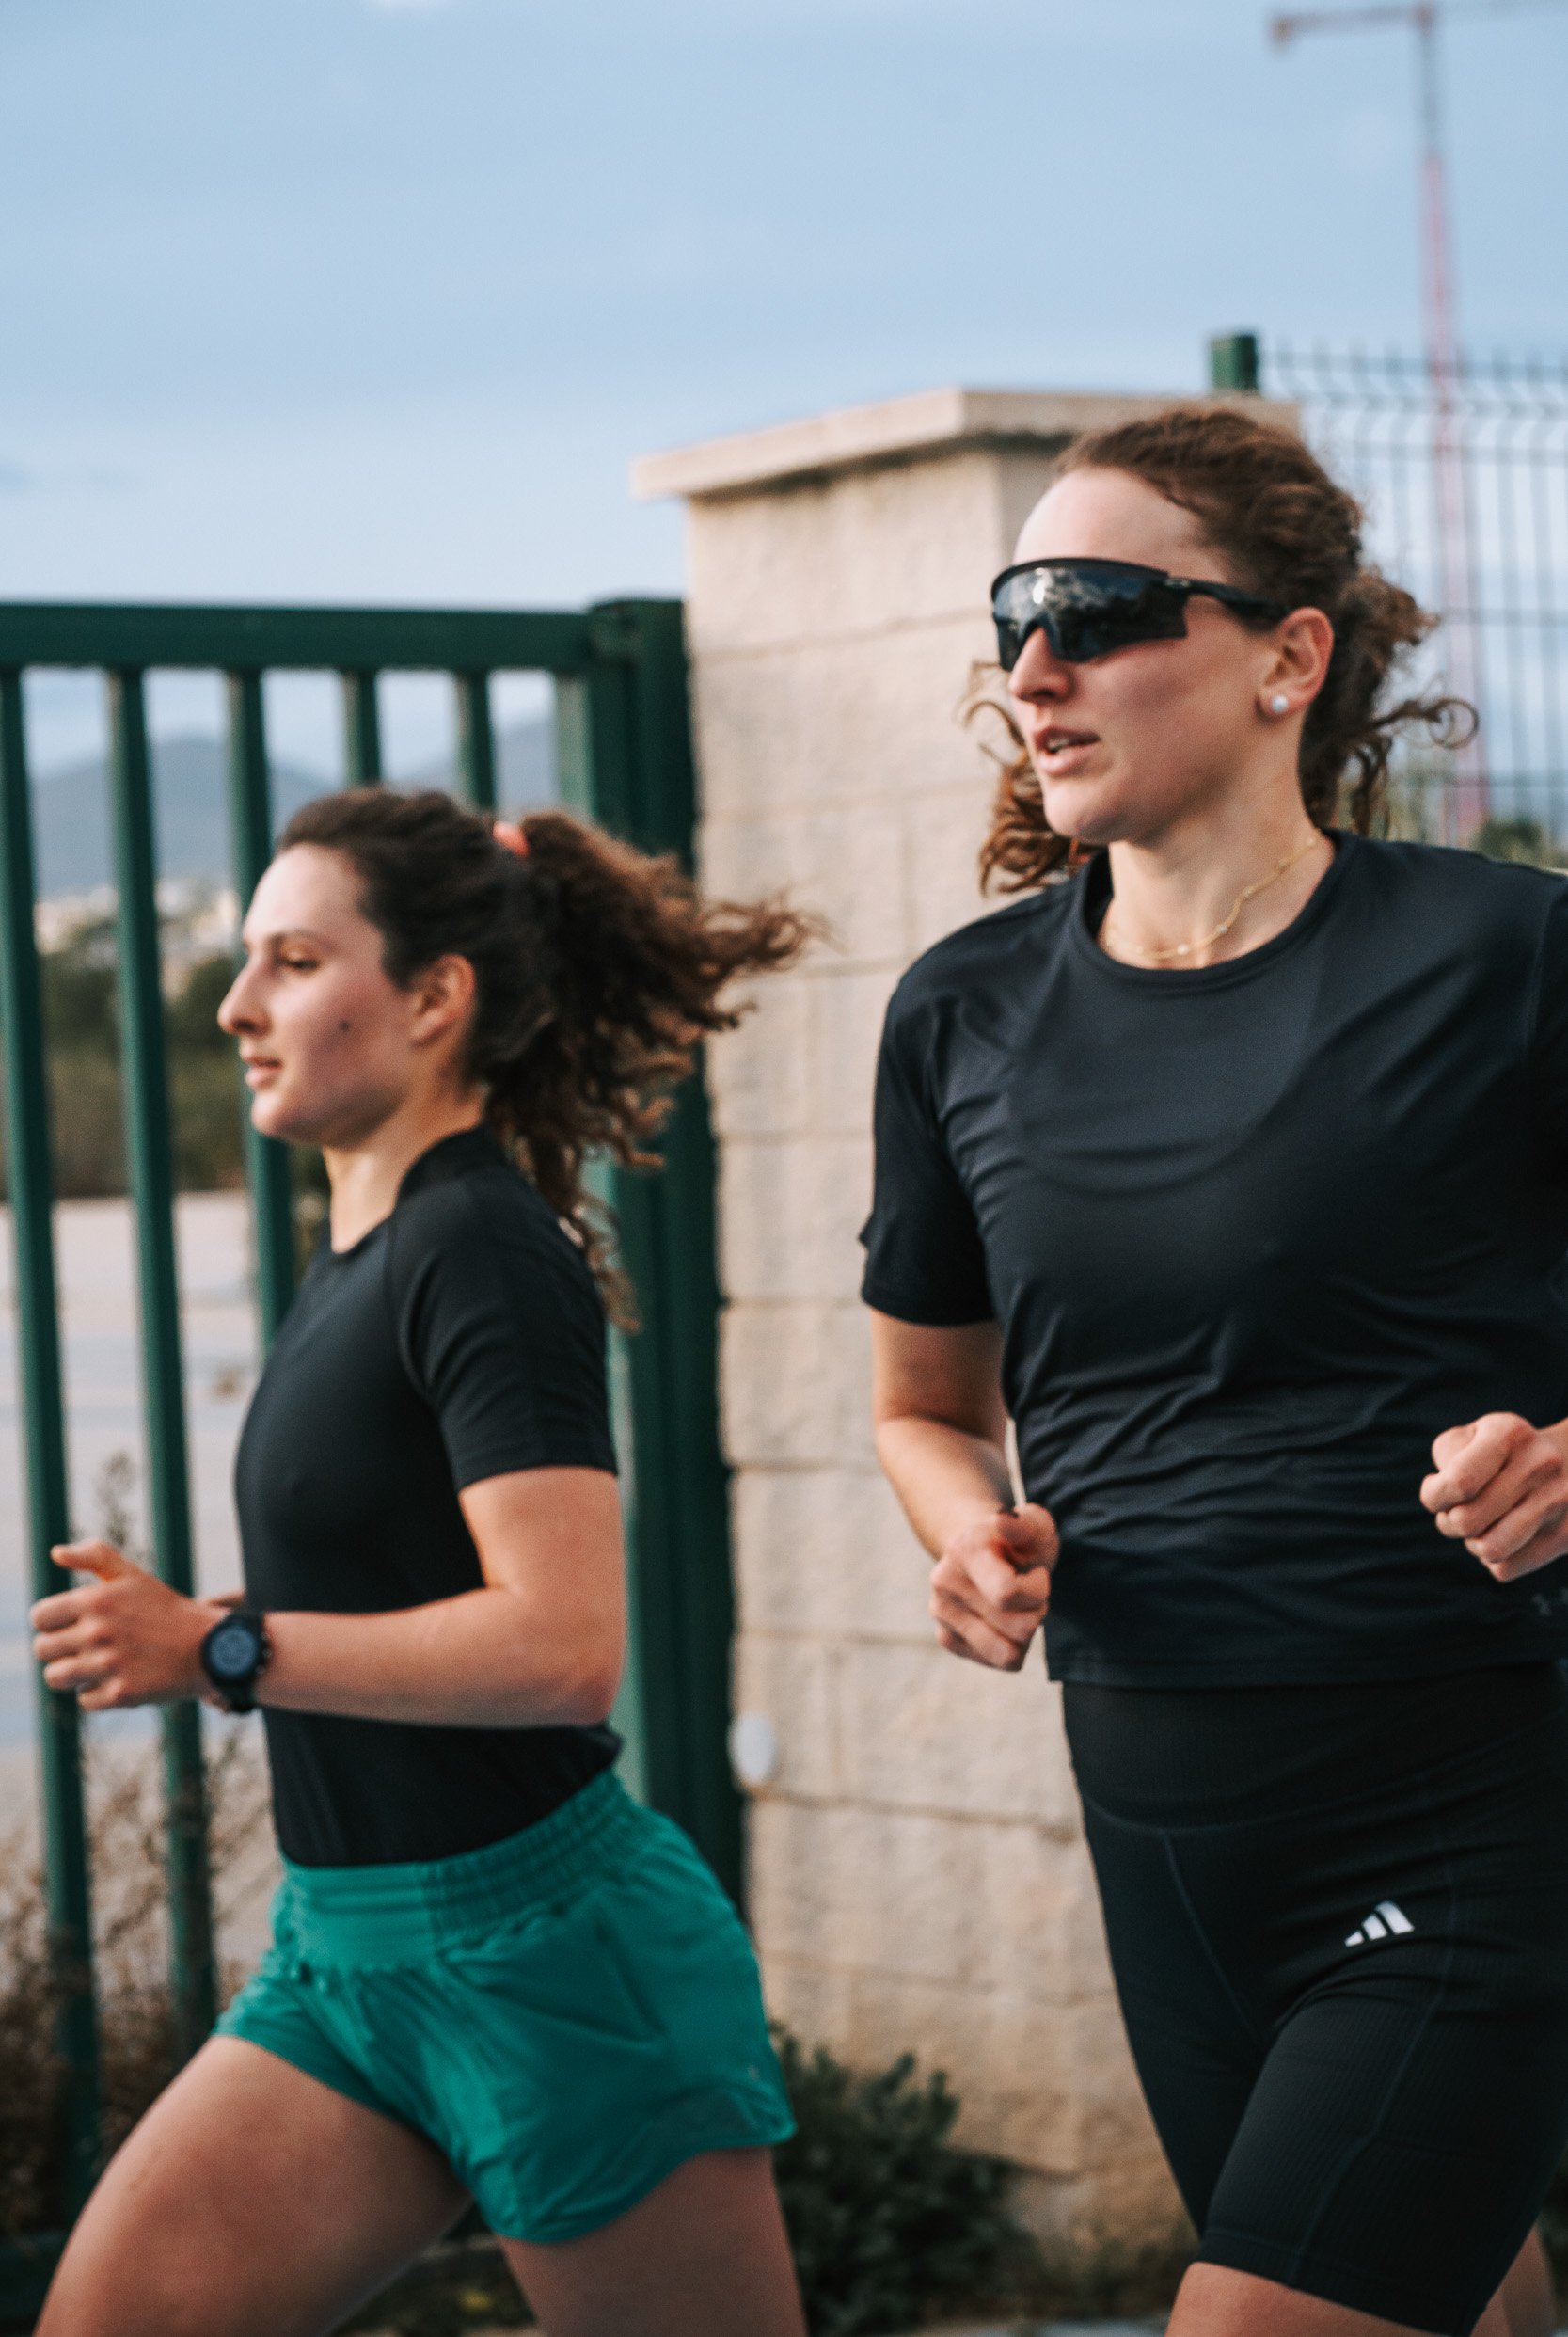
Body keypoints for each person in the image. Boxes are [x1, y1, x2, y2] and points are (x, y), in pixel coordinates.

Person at [862, 405, 1568, 2337]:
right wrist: (969, 1529)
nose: (1036, 663)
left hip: (1473, 1787)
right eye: (1019, 610)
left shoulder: (1505, 958)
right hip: (1163, 1822)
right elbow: (925, 1401)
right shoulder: (962, 1012)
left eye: (1096, 605)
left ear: (1288, 653)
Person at [30, 787, 812, 2337]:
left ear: (435, 997)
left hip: (556, 1965)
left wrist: (223, 1651)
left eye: (296, 961)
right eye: (247, 961)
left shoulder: (483, 1249)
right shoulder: (367, 1253)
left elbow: (562, 1645)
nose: (239, 1004)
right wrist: (215, 1636)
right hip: (347, 1966)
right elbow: (404, 1601)